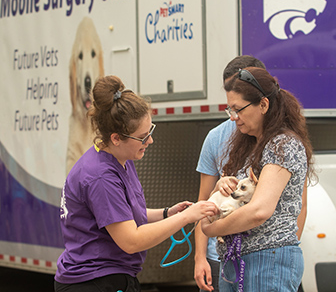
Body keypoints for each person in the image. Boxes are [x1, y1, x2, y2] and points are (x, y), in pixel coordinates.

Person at [54, 75, 218, 292]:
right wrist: (187, 216)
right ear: (116, 138)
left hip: (109, 275)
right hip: (92, 281)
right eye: (142, 137)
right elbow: (131, 240)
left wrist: (168, 213)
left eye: (150, 131)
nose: (150, 140)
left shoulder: (120, 158)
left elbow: (124, 214)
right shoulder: (100, 177)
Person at [201, 67, 315, 292]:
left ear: (263, 105)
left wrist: (213, 229)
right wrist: (221, 186)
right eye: (229, 109)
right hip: (238, 259)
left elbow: (259, 210)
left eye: (238, 109)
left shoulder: (283, 144)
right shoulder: (249, 145)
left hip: (267, 261)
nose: (233, 117)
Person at [194, 56, 266, 292]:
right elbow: (202, 203)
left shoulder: (279, 140)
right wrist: (200, 258)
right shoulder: (216, 137)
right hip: (222, 256)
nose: (234, 114)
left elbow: (300, 204)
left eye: (239, 103)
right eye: (230, 105)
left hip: (263, 254)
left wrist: (283, 247)